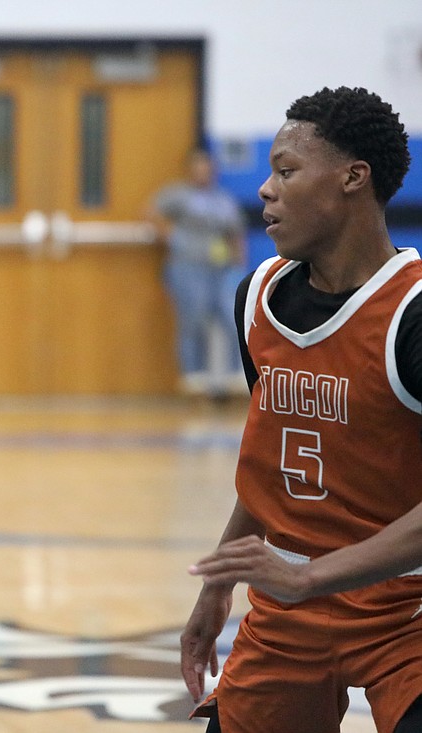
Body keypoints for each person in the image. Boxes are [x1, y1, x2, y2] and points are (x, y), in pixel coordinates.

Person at [180, 86, 422, 732]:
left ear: (352, 178)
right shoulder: (257, 297)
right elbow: (270, 463)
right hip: (291, 611)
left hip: (408, 611)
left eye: (286, 171)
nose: (265, 189)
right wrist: (218, 579)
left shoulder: (413, 314)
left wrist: (309, 573)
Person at [150, 147, 248, 398]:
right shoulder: (177, 195)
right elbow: (152, 213)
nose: (203, 173)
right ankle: (194, 377)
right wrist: (172, 239)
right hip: (188, 266)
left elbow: (235, 233)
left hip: (220, 268)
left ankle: (235, 376)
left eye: (207, 168)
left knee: (231, 318)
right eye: (198, 168)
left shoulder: (223, 200)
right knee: (192, 318)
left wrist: (239, 263)